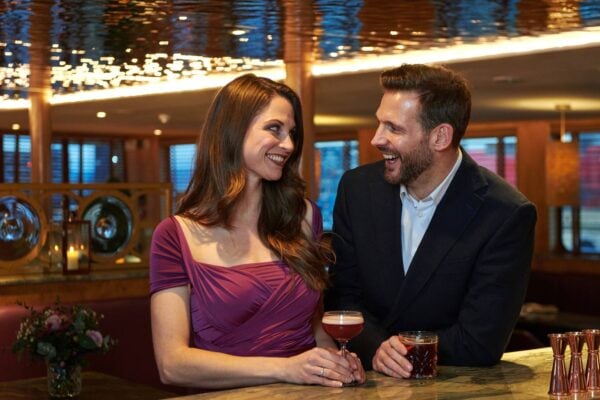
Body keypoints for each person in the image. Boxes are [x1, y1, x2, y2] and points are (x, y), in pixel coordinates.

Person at [149, 74, 365, 390]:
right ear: (233, 132)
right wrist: (287, 368)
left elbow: (314, 328)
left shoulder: (304, 217)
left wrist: (335, 364)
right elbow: (172, 364)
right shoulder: (174, 234)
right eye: (273, 129)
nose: (289, 144)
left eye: (292, 133)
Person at [324, 64, 537, 377]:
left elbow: (481, 341)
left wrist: (401, 350)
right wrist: (378, 348)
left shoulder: (505, 213)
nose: (376, 139)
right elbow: (344, 298)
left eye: (393, 128)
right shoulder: (356, 190)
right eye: (379, 123)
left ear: (440, 136)